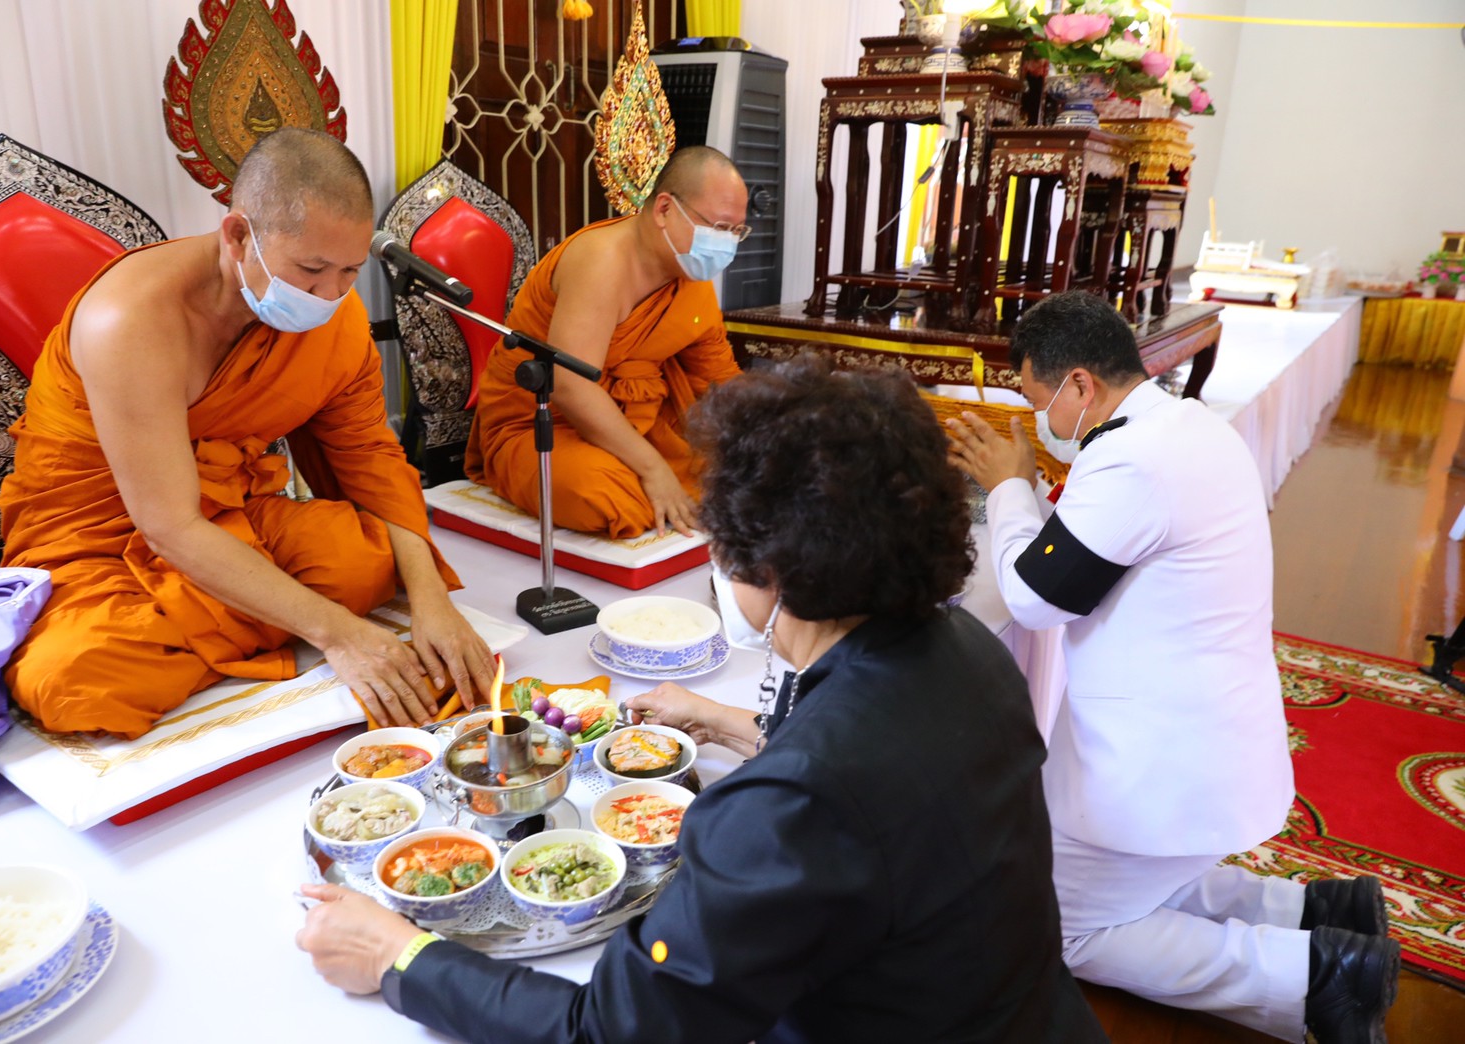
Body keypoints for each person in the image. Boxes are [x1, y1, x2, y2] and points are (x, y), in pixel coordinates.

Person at [297, 356, 1107, 1043]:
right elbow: (886, 781)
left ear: (767, 565)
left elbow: (612, 1030)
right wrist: (734, 724)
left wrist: (400, 959)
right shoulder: (971, 655)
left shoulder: (784, 807)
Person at [945, 291, 1400, 1044]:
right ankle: (1317, 909)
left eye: (1036, 402)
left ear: (1081, 385)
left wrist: (1006, 486)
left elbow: (1033, 597)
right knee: (1126, 880)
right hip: (1204, 734)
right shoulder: (1181, 423)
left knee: (1059, 925)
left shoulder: (1135, 462)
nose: (1037, 424)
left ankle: (1318, 975)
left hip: (1166, 760)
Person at [0, 128, 497, 739]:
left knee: (362, 561)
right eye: (311, 269)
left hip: (233, 515)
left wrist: (432, 602)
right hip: (103, 540)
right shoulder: (130, 321)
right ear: (238, 235)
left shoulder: (332, 319)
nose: (331, 294)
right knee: (72, 679)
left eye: (349, 270)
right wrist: (338, 634)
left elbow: (370, 456)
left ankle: (214, 628)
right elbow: (168, 524)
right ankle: (253, 620)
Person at [463, 145, 744, 539]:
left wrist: (761, 438)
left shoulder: (687, 276)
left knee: (734, 475)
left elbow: (717, 376)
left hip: (634, 425)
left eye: (736, 231)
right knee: (609, 498)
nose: (727, 243)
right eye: (718, 227)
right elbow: (570, 385)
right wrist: (653, 468)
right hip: (542, 424)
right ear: (664, 209)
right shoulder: (602, 261)